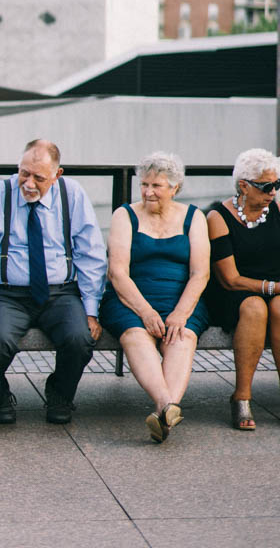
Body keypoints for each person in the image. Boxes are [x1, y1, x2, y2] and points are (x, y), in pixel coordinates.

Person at [0, 138, 106, 426]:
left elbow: (90, 254)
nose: (28, 183)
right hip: (5, 294)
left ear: (57, 175)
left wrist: (91, 309)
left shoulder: (72, 194)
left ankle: (60, 393)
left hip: (60, 293)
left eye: (38, 178)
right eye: (23, 173)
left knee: (80, 340)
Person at [99, 152, 209, 442]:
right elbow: (118, 273)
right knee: (135, 334)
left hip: (180, 299)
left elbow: (200, 274)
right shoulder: (125, 215)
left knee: (181, 336)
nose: (148, 192)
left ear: (174, 188)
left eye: (156, 186)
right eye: (144, 184)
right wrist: (146, 312)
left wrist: (181, 313)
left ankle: (163, 416)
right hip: (131, 299)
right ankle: (166, 405)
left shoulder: (194, 217)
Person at [207, 148, 280, 431]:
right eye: (266, 186)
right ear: (243, 185)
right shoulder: (217, 217)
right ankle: (241, 396)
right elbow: (229, 279)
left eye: (277, 185)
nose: (273, 192)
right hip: (236, 292)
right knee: (254, 307)